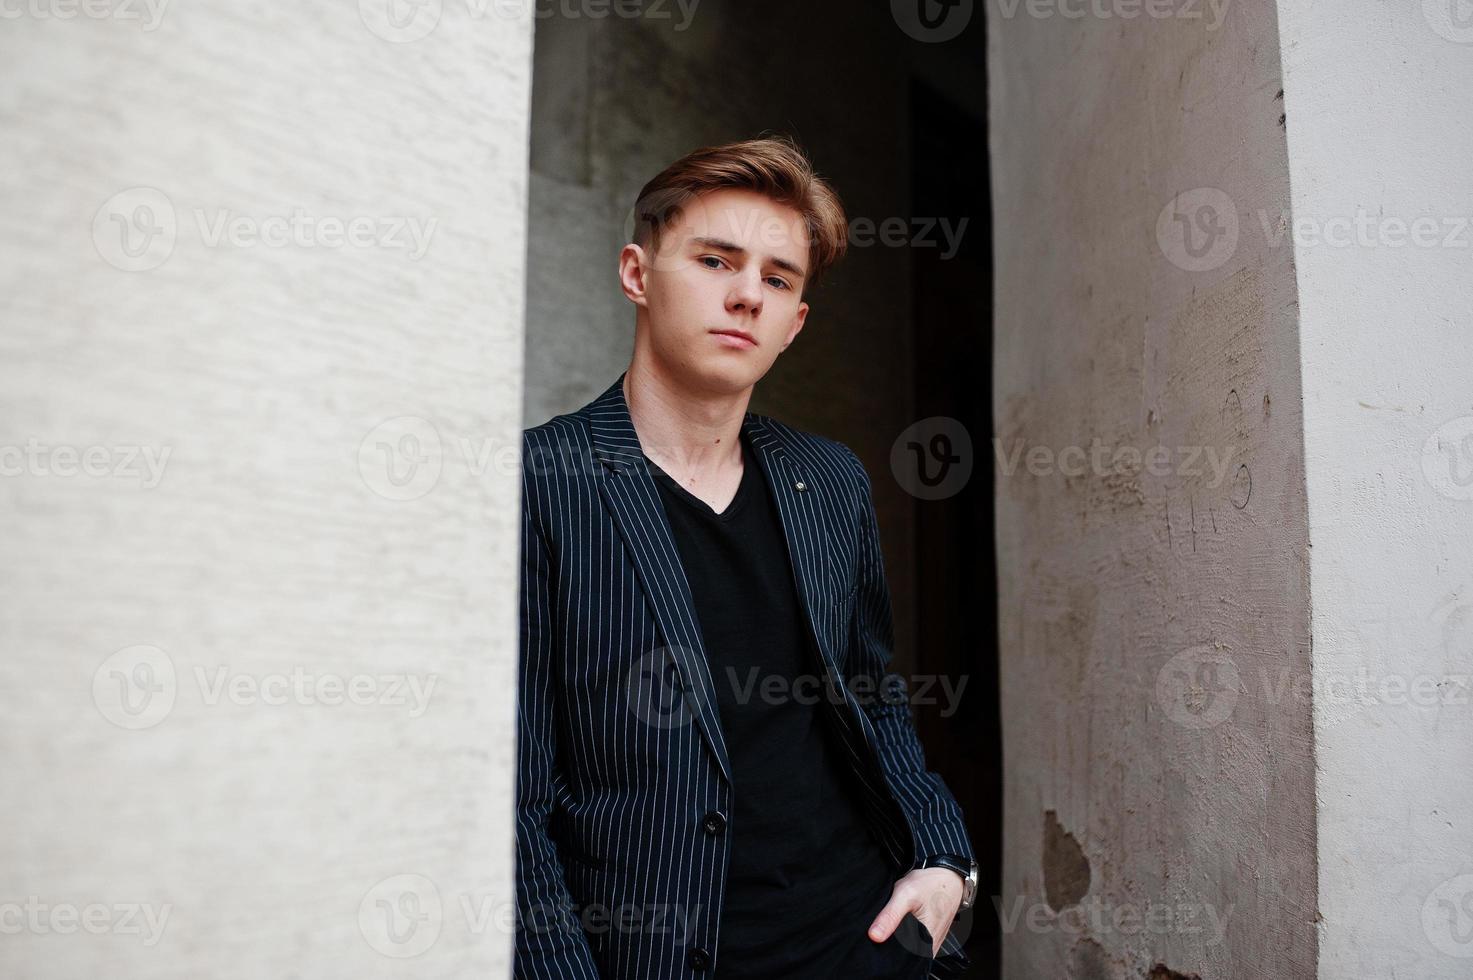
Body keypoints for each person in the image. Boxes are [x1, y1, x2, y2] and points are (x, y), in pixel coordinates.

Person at [516, 134, 977, 979]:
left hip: (866, 939)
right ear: (636, 274)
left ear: (795, 323)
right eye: (715, 261)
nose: (746, 296)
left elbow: (872, 697)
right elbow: (515, 798)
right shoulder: (543, 482)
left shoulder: (827, 478)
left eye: (776, 278)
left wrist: (946, 863)